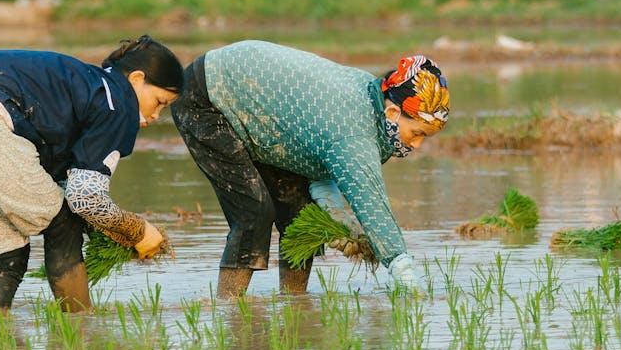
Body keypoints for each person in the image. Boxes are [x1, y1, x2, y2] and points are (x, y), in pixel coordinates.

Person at [0, 35, 184, 314]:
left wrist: (105, 227)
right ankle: (79, 322)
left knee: (7, 251)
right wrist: (137, 231)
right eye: (160, 102)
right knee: (64, 223)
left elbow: (66, 185)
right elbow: (84, 199)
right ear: (136, 79)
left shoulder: (87, 87)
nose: (156, 115)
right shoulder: (116, 102)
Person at [171, 40, 450, 296]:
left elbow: (323, 170)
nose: (417, 145)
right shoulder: (354, 128)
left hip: (261, 116)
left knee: (301, 215)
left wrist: (338, 218)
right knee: (254, 211)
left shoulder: (372, 103)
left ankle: (294, 305)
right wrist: (403, 270)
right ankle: (229, 308)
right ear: (393, 113)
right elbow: (371, 203)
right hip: (207, 96)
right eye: (417, 133)